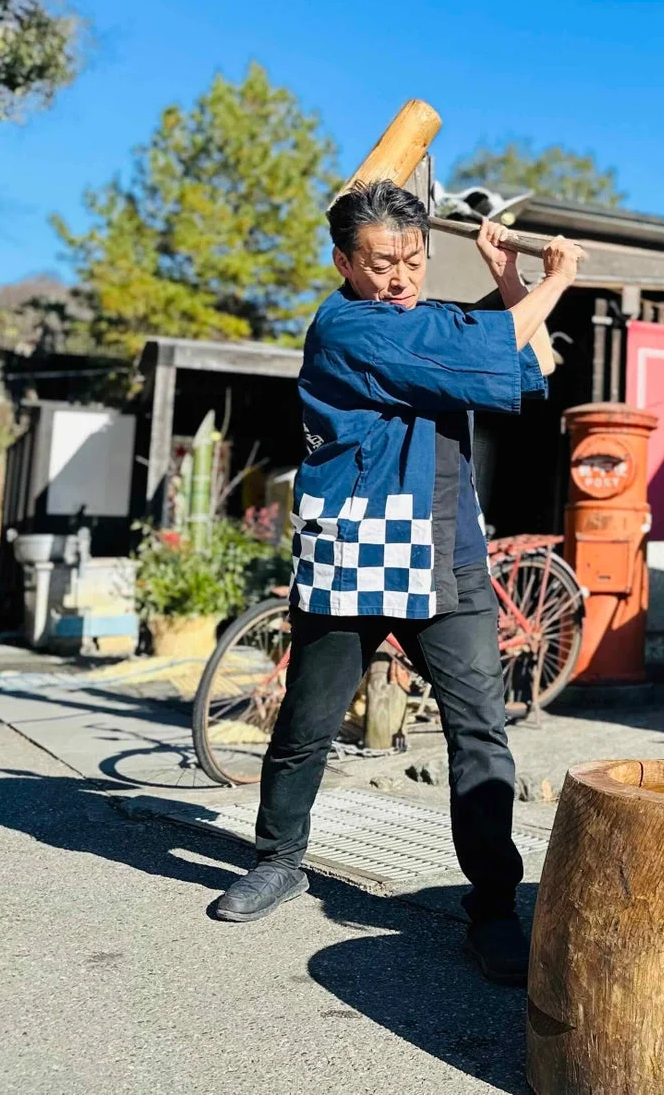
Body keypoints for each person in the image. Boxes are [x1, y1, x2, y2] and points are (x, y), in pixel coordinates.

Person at [209, 178, 585, 989]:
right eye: (381, 262)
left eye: (414, 259)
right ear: (342, 260)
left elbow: (521, 366)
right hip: (353, 551)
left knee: (480, 733)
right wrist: (556, 280)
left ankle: (492, 907)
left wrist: (513, 281)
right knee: (308, 720)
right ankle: (278, 859)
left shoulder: (433, 321)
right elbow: (485, 349)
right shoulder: (346, 326)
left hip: (448, 554)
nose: (401, 277)